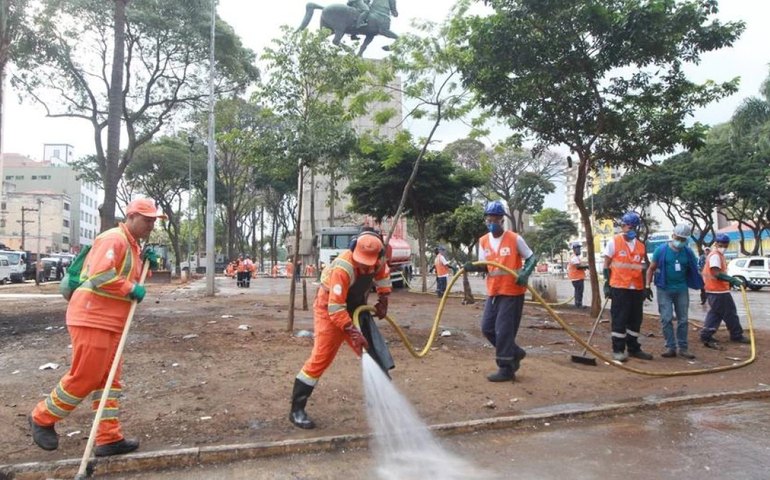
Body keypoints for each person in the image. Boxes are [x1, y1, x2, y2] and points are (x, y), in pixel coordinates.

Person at [28, 198, 165, 456]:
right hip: (92, 317)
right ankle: (41, 418)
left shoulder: (133, 246)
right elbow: (101, 276)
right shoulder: (113, 238)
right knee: (87, 376)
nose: (150, 225)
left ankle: (108, 437)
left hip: (113, 321)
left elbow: (128, 279)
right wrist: (131, 288)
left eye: (153, 221)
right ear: (131, 215)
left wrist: (146, 267)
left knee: (109, 380)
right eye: (147, 220)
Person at [289, 231, 391, 429]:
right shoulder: (343, 267)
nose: (364, 266)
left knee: (375, 354)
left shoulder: (378, 261)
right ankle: (296, 410)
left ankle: (379, 402)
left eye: (369, 263)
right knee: (321, 358)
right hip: (329, 309)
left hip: (356, 308)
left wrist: (383, 299)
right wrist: (353, 332)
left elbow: (383, 278)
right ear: (354, 251)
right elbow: (335, 309)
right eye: (361, 262)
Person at [463, 200, 537, 382]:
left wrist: (525, 273)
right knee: (487, 328)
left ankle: (506, 367)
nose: (491, 222)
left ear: (502, 220)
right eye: (488, 219)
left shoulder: (514, 238)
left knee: (503, 331)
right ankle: (515, 352)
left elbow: (531, 258)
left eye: (495, 219)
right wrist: (472, 267)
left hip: (512, 292)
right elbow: (485, 267)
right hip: (494, 292)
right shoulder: (483, 241)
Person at [645, 224, 703, 359]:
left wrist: (702, 288)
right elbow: (651, 269)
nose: (680, 241)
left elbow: (695, 271)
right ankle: (670, 346)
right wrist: (647, 286)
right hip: (664, 289)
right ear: (673, 236)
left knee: (683, 319)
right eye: (678, 238)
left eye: (683, 239)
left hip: (681, 289)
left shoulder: (688, 253)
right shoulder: (661, 250)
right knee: (666, 318)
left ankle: (683, 347)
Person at [602, 211, 654, 362]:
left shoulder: (640, 246)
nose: (628, 229)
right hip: (619, 286)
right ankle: (618, 349)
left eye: (632, 226)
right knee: (620, 318)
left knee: (635, 319)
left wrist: (646, 286)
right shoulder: (614, 242)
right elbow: (606, 264)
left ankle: (633, 348)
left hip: (636, 288)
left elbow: (643, 267)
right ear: (623, 226)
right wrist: (607, 283)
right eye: (626, 226)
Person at [700, 233, 751, 349]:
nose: (724, 247)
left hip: (715, 290)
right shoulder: (715, 256)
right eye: (722, 245)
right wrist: (732, 280)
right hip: (717, 291)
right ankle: (736, 335)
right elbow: (716, 273)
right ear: (716, 243)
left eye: (726, 245)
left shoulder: (717, 255)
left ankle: (706, 334)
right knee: (730, 313)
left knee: (716, 313)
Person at [567, 242, 589, 309]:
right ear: (574, 249)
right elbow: (578, 267)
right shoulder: (574, 258)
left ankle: (578, 304)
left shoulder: (576, 257)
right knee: (579, 292)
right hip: (576, 278)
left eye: (579, 248)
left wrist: (585, 266)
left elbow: (579, 266)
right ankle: (579, 305)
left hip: (577, 278)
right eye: (577, 249)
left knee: (578, 291)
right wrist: (587, 266)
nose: (579, 250)